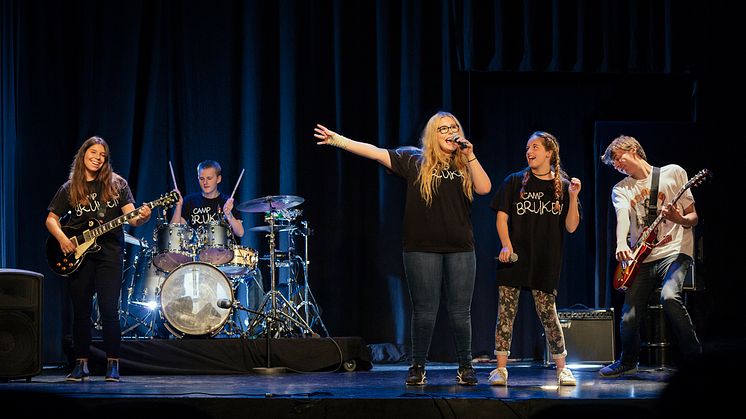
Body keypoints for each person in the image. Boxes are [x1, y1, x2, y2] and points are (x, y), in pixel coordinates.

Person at [314, 111, 491, 386]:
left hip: (461, 248)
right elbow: (374, 152)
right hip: (421, 248)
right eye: (443, 128)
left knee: (460, 312)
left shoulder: (465, 163)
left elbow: (484, 187)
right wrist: (338, 141)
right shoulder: (414, 160)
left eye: (454, 127)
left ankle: (466, 366)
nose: (450, 132)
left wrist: (470, 154)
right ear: (433, 134)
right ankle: (418, 366)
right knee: (424, 310)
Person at [46, 136, 152, 382]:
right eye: (93, 152)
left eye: (102, 154)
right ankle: (80, 364)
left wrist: (143, 217)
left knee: (109, 310)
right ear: (83, 154)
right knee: (81, 310)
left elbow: (132, 218)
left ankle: (112, 365)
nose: (97, 157)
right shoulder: (70, 187)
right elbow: (51, 219)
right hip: (78, 255)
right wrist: (63, 239)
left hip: (110, 255)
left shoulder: (117, 185)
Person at [598, 135, 701, 378]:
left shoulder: (673, 173)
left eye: (617, 157)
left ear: (632, 149)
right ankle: (628, 360)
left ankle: (696, 359)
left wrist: (678, 219)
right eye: (613, 164)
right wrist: (621, 242)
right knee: (628, 316)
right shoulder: (621, 189)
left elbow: (693, 217)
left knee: (669, 297)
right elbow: (622, 217)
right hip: (641, 258)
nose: (616, 165)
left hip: (675, 250)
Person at [487, 131, 581, 387]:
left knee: (549, 315)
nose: (529, 151)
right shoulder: (515, 181)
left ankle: (562, 368)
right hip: (514, 259)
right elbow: (502, 217)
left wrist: (573, 197)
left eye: (535, 147)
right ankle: (500, 369)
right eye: (527, 147)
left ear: (549, 152)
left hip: (545, 260)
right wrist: (506, 245)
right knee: (505, 314)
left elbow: (571, 227)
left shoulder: (561, 186)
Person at [170, 160, 244, 239]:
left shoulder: (228, 202)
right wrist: (178, 206)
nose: (205, 182)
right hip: (196, 250)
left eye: (209, 178)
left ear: (218, 179)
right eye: (201, 178)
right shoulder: (189, 201)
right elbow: (173, 232)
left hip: (222, 251)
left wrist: (229, 214)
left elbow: (240, 233)